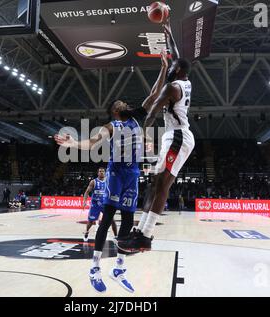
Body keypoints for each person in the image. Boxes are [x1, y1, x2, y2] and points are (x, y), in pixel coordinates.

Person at [55, 50, 168, 293]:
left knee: (127, 220)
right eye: (119, 104)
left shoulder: (137, 117)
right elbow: (94, 141)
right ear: (114, 111)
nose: (124, 103)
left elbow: (154, 93)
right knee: (106, 219)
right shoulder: (112, 125)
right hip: (116, 173)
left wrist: (163, 68)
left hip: (133, 174)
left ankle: (119, 267)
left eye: (124, 102)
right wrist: (73, 144)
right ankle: (94, 268)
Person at [119, 20, 195, 252]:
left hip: (179, 137)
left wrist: (141, 134)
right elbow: (177, 56)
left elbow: (151, 112)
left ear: (178, 71)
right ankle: (140, 231)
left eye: (172, 68)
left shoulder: (171, 88)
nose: (169, 68)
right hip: (173, 137)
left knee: (162, 185)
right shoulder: (183, 79)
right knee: (154, 185)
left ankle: (146, 235)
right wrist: (169, 33)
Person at [82, 167, 117, 242]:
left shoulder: (108, 181)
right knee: (91, 221)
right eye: (100, 171)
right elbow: (87, 192)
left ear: (105, 173)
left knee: (112, 220)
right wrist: (84, 201)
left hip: (105, 205)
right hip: (95, 205)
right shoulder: (93, 182)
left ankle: (116, 236)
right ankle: (87, 232)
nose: (101, 172)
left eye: (103, 171)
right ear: (98, 173)